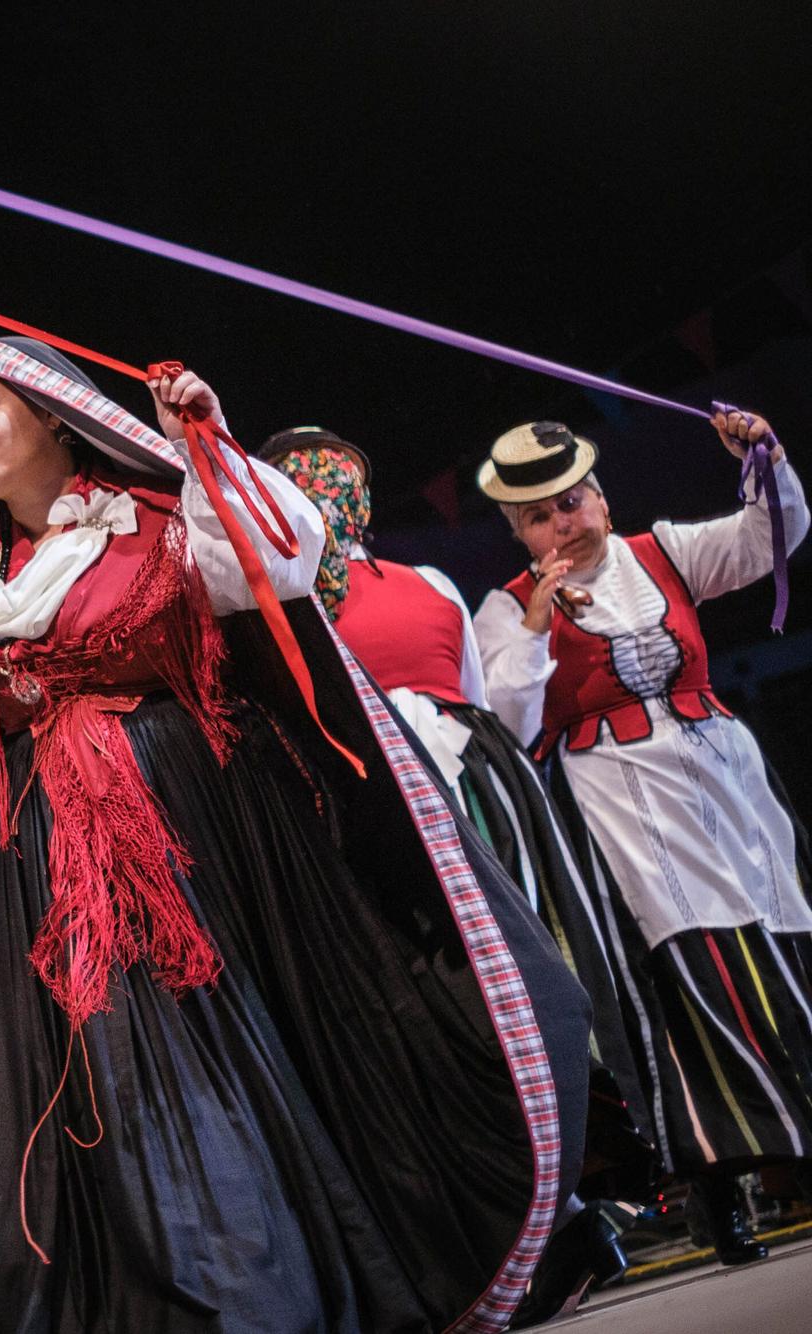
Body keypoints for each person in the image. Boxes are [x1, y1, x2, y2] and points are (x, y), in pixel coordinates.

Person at [0, 336, 596, 1332]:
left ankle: (269, 1289)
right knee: (111, 1085)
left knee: (241, 1055)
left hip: (202, 844)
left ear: (52, 411)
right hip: (50, 873)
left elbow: (280, 560)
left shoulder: (152, 522)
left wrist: (202, 446)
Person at [261, 428, 656, 1213]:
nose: (328, 497)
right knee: (452, 993)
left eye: (340, 479)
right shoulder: (280, 611)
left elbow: (487, 705)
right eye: (303, 484)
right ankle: (513, 1193)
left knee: (545, 967)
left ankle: (597, 1168)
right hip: (379, 805)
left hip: (478, 794)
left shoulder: (431, 584)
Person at [473, 414, 812, 1265]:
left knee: (781, 949)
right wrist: (539, 624)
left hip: (727, 789)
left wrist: (761, 460)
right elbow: (508, 721)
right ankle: (717, 1188)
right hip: (621, 814)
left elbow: (773, 533)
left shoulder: (661, 553)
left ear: (601, 497)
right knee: (682, 988)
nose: (566, 523)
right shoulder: (508, 608)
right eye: (543, 516)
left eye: (574, 502)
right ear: (519, 530)